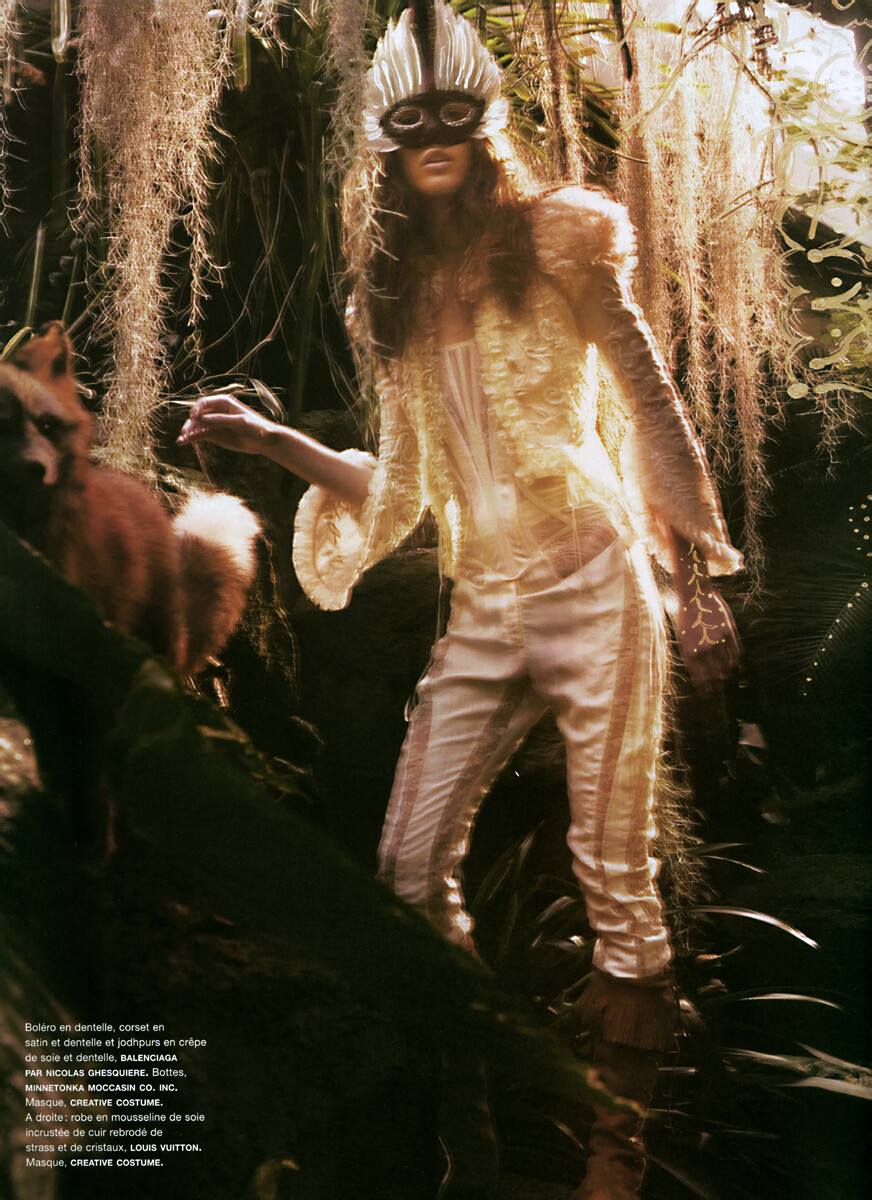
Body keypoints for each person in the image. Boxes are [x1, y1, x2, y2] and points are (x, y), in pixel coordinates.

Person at [178, 3, 742, 1196]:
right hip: (484, 603)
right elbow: (403, 486)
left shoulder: (560, 243)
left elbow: (646, 400)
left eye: (451, 114)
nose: (432, 135)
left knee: (615, 882)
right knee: (404, 868)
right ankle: (465, 1140)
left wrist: (687, 575)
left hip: (595, 581)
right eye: (409, 119)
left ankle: (613, 1167)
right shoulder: (383, 298)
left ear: (483, 129)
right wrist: (274, 442)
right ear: (385, 144)